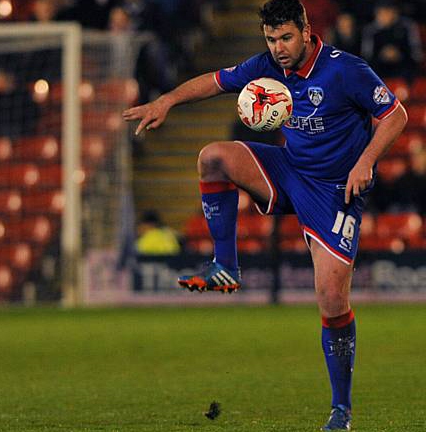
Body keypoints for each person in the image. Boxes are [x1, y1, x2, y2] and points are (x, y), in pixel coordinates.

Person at [123, 0, 407, 429]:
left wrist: (365, 161)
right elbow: (215, 82)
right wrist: (167, 100)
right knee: (212, 157)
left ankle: (341, 409)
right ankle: (225, 266)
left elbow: (395, 115)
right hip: (289, 169)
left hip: (334, 191)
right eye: (271, 39)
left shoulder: (345, 69)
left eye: (286, 37)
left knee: (332, 300)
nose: (278, 48)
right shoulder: (266, 66)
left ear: (307, 30)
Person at [361, 0, 423, 84]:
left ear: (395, 13)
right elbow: (366, 56)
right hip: (379, 68)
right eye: (382, 13)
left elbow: (416, 54)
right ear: (376, 14)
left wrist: (399, 54)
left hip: (404, 66)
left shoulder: (407, 26)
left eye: (388, 12)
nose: (385, 16)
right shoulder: (370, 31)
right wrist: (382, 55)